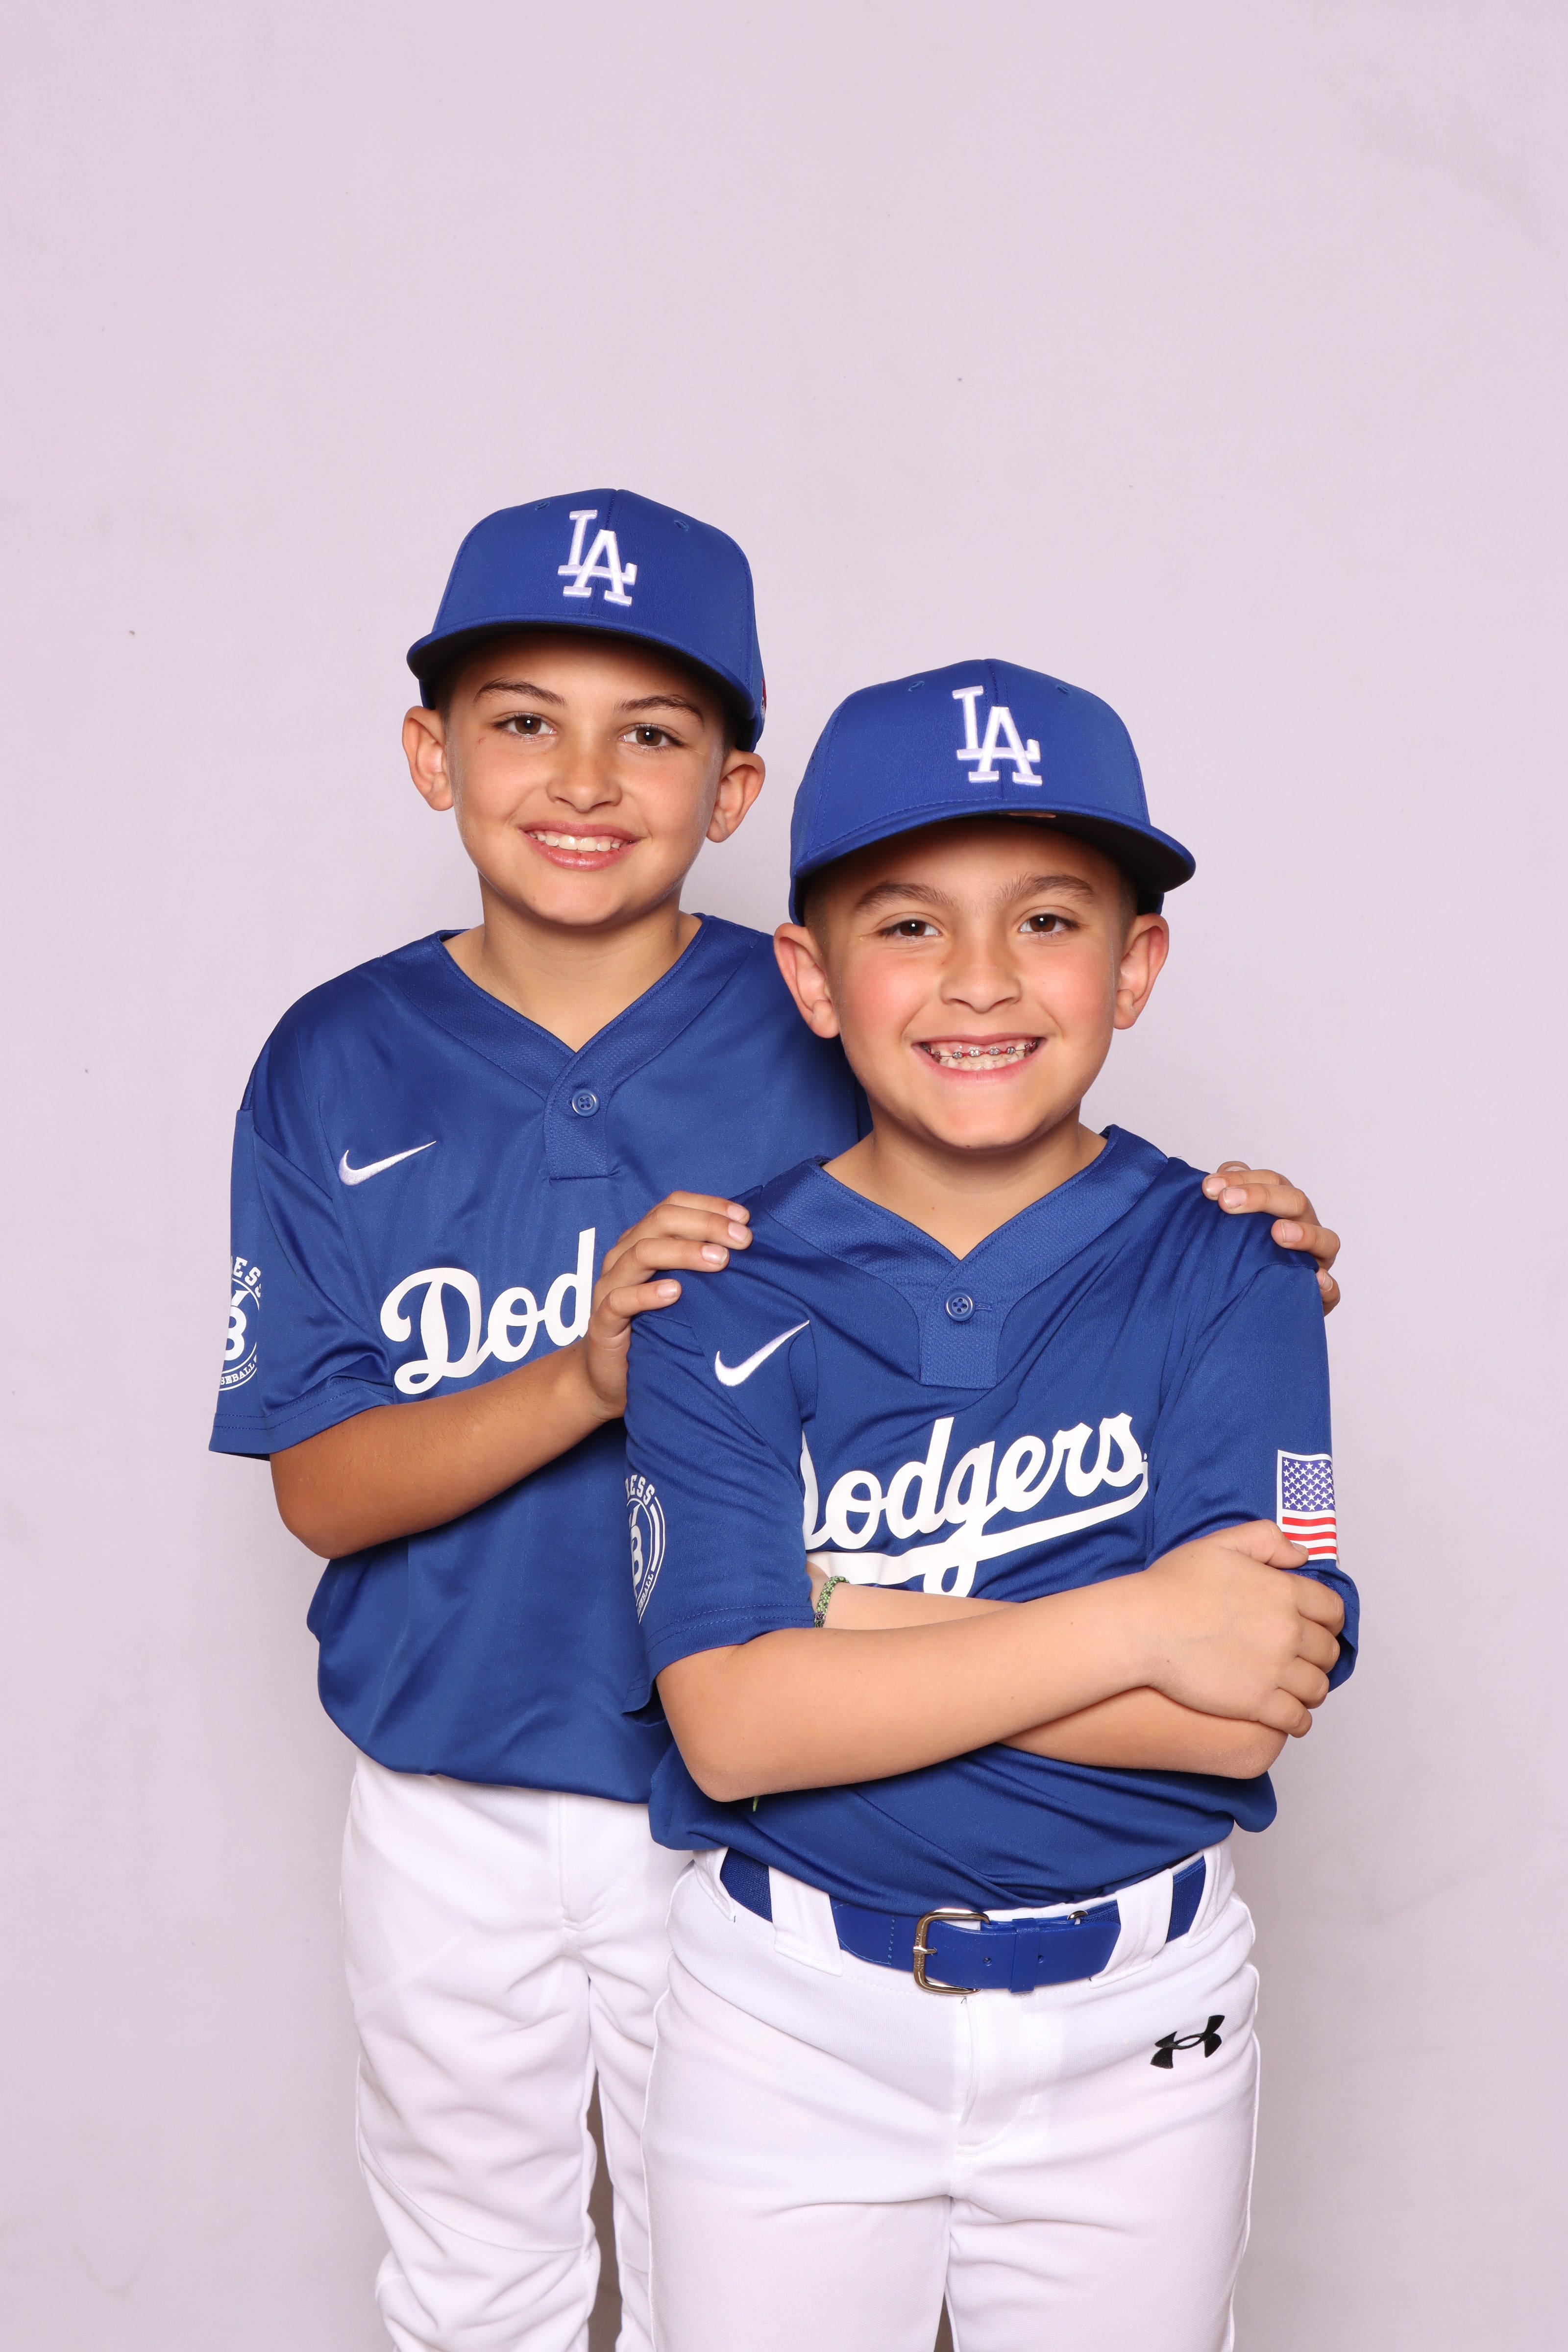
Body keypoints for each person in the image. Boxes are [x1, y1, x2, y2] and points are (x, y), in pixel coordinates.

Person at [211, 496, 1344, 2352]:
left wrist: (1230, 1252)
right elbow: (326, 1489)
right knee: (472, 2278)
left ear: (735, 786)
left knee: (702, 2298)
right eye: (524, 719)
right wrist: (592, 1379)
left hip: (741, 1824)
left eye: (653, 730)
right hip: (466, 1768)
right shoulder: (339, 1057)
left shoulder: (827, 1018)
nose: (587, 779)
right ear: (430, 751)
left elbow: (1012, 1152)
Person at [624, 657, 1358, 2352]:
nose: (980, 979)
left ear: (1136, 964)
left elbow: (1269, 1681)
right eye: (909, 925)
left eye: (1047, 920)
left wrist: (848, 1623)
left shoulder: (1248, 1268)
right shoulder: (710, 1290)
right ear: (812, 976)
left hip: (1147, 2034)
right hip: (786, 2028)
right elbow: (733, 1727)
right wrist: (1144, 1622)